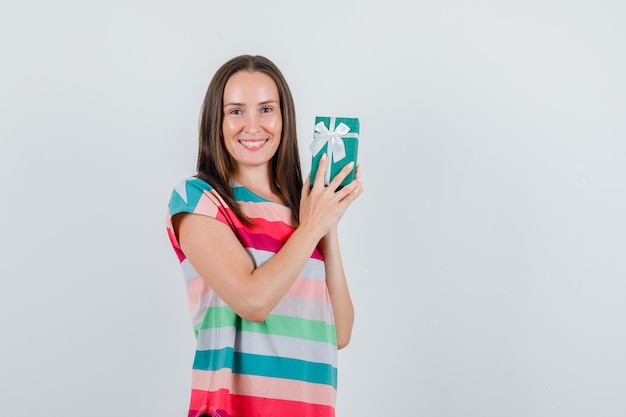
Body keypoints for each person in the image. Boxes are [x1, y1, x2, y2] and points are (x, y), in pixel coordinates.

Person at [166, 54, 363, 417]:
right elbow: (252, 301)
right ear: (217, 121)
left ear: (284, 117)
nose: (252, 125)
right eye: (236, 111)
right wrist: (311, 228)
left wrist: (327, 226)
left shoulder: (301, 213)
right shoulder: (198, 199)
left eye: (266, 109)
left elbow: (339, 333)